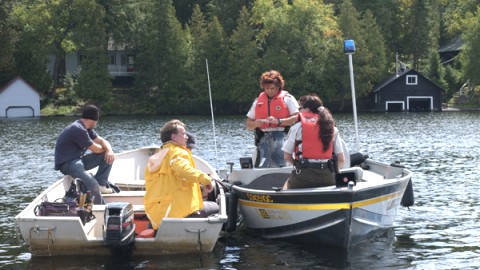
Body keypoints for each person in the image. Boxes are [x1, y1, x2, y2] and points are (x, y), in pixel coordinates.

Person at [144, 120, 219, 231]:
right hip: (174, 213)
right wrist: (206, 180)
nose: (186, 137)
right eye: (183, 133)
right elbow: (183, 170)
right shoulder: (178, 152)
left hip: (156, 214)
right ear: (174, 137)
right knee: (215, 207)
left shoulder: (156, 158)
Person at [54, 104, 116, 204]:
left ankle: (101, 183)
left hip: (79, 160)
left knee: (108, 154)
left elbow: (103, 141)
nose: (96, 123)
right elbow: (96, 149)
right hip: (68, 164)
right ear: (93, 120)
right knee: (92, 184)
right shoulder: (77, 129)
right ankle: (100, 210)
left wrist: (109, 150)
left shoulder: (86, 128)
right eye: (97, 121)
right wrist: (106, 149)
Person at [281, 94, 345, 189]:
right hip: (328, 177)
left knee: (285, 186)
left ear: (307, 110)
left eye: (300, 108)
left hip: (303, 176)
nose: (298, 111)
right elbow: (341, 159)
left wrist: (297, 165)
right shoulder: (332, 128)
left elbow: (287, 156)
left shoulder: (296, 127)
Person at [246, 70, 299, 168]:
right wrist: (256, 124)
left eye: (272, 88)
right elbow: (248, 124)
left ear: (278, 87)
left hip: (284, 138)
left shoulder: (288, 99)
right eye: (267, 88)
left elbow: (297, 117)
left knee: (284, 162)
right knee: (256, 164)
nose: (270, 91)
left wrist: (279, 121)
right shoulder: (258, 101)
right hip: (263, 141)